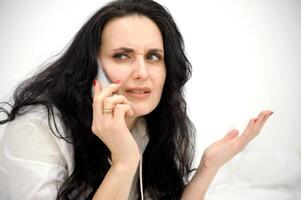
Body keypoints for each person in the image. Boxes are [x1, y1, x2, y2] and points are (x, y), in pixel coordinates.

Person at [0, 0, 273, 199]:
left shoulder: (154, 125)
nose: (142, 73)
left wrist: (207, 168)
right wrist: (124, 161)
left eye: (153, 56)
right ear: (90, 66)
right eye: (122, 55)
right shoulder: (35, 131)